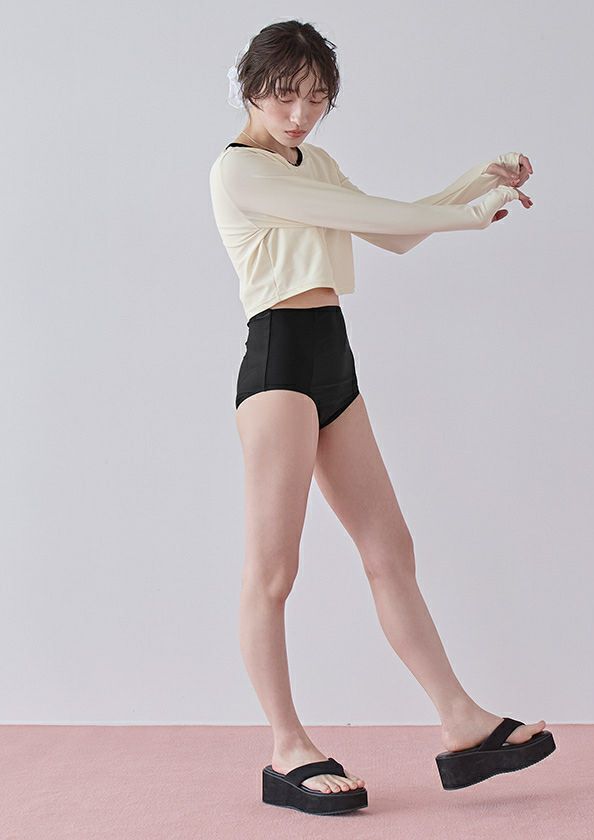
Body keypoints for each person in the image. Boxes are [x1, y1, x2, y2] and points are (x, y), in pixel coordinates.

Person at [209, 19, 555, 816]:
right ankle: (287, 747)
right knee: (273, 570)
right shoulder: (240, 170)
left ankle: (462, 722)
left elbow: (389, 230)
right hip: (279, 368)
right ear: (251, 86)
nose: (300, 114)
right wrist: (472, 211)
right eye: (285, 95)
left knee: (390, 550)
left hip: (333, 359)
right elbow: (387, 217)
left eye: (316, 99)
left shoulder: (316, 163)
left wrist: (476, 181)